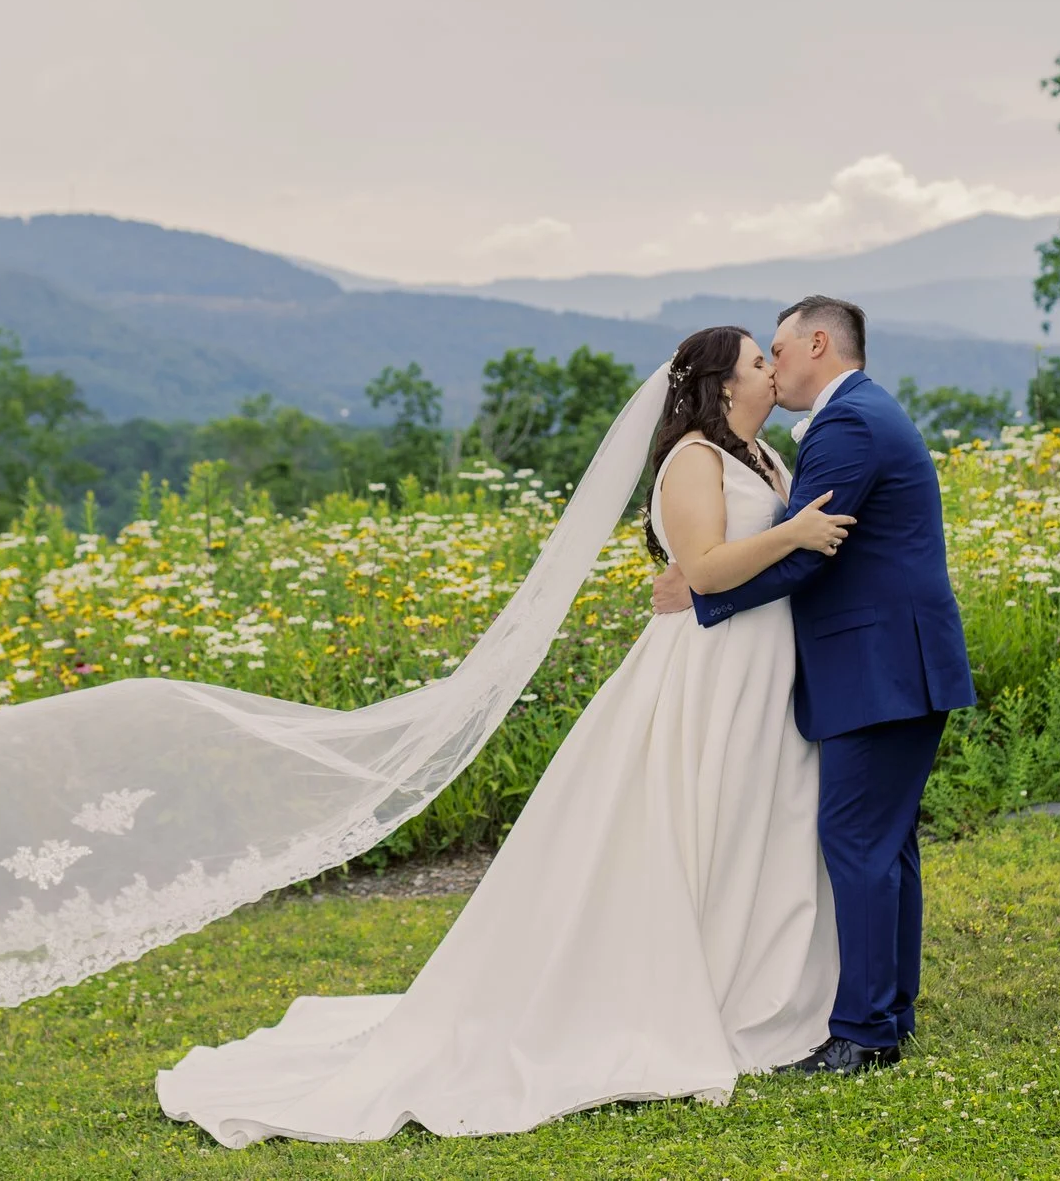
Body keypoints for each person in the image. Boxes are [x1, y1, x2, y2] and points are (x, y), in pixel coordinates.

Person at [154, 325, 857, 1144]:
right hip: (709, 670)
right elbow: (701, 568)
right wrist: (791, 534)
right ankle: (681, 993)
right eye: (758, 361)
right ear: (723, 383)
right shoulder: (695, 458)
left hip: (762, 664)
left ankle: (757, 980)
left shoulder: (763, 457)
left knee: (753, 822)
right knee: (697, 821)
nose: (773, 369)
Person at [654, 295, 974, 1074]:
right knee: (885, 843)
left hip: (879, 666)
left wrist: (702, 593)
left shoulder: (847, 423)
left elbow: (805, 554)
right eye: (759, 357)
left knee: (858, 840)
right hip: (890, 662)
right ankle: (888, 1011)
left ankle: (864, 1030)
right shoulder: (859, 413)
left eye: (778, 349)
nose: (774, 365)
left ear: (818, 343)